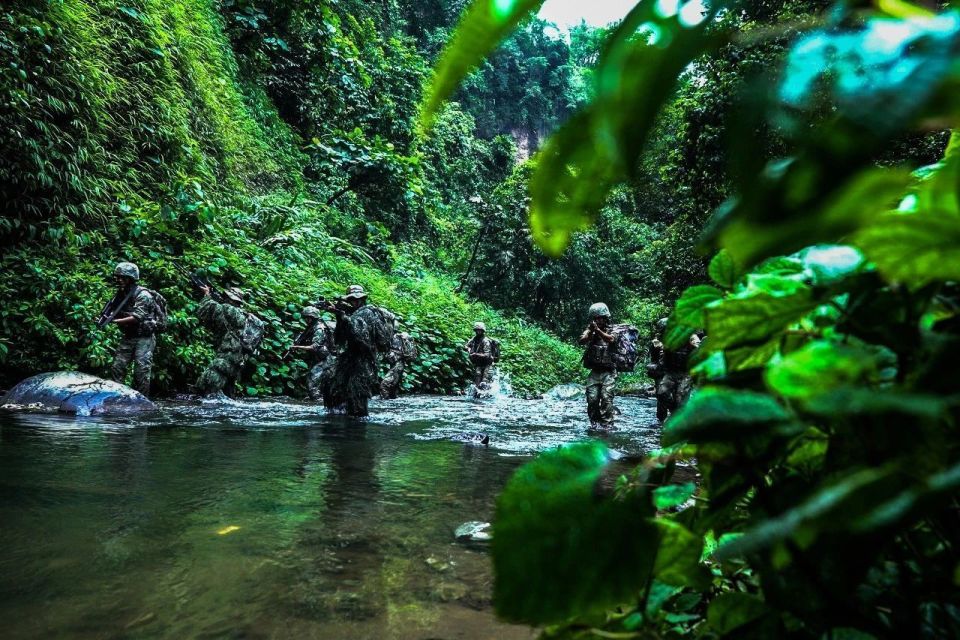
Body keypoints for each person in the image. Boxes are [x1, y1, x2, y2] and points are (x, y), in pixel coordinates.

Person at [319, 285, 395, 417]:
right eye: (351, 299)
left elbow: (360, 335)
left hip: (364, 358)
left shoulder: (368, 312)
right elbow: (340, 337)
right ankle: (338, 413)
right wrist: (339, 315)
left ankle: (358, 421)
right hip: (351, 356)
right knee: (330, 381)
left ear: (362, 299)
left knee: (357, 391)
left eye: (356, 298)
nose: (354, 301)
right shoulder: (353, 313)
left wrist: (341, 315)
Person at [108, 261, 160, 397]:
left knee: (141, 372)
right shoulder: (121, 294)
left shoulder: (143, 295)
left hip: (144, 337)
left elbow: (138, 317)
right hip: (129, 336)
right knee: (117, 367)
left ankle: (142, 402)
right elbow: (114, 310)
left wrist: (114, 321)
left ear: (130, 279)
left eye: (122, 277)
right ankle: (118, 397)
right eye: (117, 277)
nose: (118, 280)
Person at [195, 285, 251, 397]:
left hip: (226, 358)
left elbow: (206, 309)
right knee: (227, 393)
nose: (224, 298)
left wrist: (207, 295)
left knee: (209, 384)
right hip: (237, 360)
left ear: (231, 299)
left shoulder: (229, 310)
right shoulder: (242, 315)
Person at [652, 317, 699, 423]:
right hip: (671, 372)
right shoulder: (661, 339)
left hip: (686, 373)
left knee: (681, 399)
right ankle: (675, 412)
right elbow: (658, 357)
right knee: (661, 393)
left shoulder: (689, 336)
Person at [579, 302, 617, 430]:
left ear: (606, 317)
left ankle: (607, 425)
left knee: (606, 398)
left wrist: (598, 331)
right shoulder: (591, 330)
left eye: (600, 318)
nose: (598, 320)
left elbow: (611, 339)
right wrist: (590, 332)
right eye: (595, 318)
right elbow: (582, 340)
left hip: (609, 372)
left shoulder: (613, 329)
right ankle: (594, 424)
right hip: (595, 372)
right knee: (592, 399)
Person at [288, 306, 337, 401]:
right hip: (321, 357)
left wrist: (297, 347)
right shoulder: (311, 327)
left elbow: (315, 346)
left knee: (312, 379)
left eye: (307, 317)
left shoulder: (319, 328)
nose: (306, 320)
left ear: (312, 317)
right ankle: (319, 398)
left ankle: (317, 401)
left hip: (328, 358)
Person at [380, 321, 416, 400]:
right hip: (396, 365)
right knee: (392, 389)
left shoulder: (398, 338)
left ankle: (385, 402)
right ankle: (390, 401)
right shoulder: (391, 338)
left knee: (384, 385)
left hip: (398, 365)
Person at [463, 322, 497, 389]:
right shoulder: (474, 339)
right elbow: (466, 346)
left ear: (483, 331)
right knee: (477, 379)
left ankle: (487, 395)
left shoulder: (486, 341)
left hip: (488, 363)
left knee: (485, 382)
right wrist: (469, 349)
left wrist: (475, 354)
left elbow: (487, 355)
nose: (478, 331)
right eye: (477, 330)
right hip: (479, 363)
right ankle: (477, 394)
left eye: (480, 330)